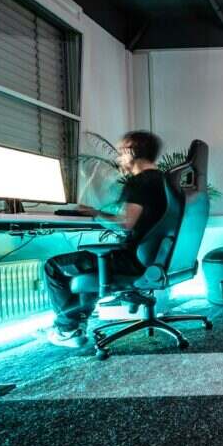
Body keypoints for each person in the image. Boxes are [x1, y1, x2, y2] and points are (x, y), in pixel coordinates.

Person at [43, 130, 169, 347]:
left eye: (120, 152)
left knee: (54, 266)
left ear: (130, 150)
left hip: (134, 261)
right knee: (90, 264)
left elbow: (125, 223)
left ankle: (67, 329)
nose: (118, 159)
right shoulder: (165, 181)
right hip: (157, 257)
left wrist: (94, 213)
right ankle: (74, 324)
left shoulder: (140, 183)